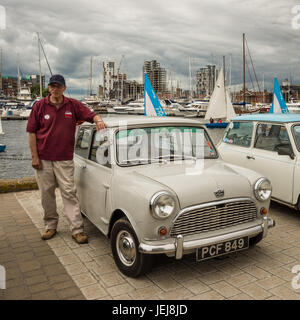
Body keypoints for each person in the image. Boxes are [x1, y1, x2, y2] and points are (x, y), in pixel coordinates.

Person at [26, 74, 106, 244]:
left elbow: (90, 114)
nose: (55, 89)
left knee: (69, 193)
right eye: (52, 86)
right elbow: (32, 133)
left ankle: (77, 229)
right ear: (49, 88)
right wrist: (34, 157)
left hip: (64, 158)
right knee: (46, 194)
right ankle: (50, 225)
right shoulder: (40, 106)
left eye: (58, 86)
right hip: (44, 158)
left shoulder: (72, 105)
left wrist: (98, 119)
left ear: (64, 88)